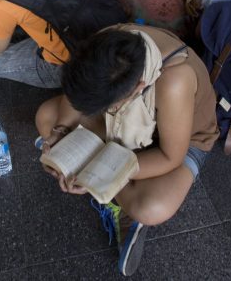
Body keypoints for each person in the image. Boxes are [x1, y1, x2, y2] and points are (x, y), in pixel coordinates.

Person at [35, 24, 219, 276]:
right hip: (120, 124)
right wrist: (60, 133)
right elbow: (72, 99)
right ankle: (115, 193)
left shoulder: (175, 82)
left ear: (138, 87)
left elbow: (169, 157)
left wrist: (101, 173)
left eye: (108, 105)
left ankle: (118, 204)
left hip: (182, 142)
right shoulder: (105, 44)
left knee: (151, 208)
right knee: (46, 117)